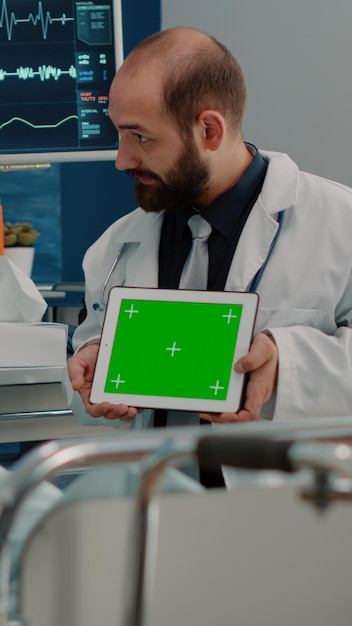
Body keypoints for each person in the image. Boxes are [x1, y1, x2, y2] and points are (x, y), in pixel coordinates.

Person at [64, 26, 352, 433]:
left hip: (283, 491)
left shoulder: (341, 224)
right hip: (154, 486)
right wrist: (91, 364)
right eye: (119, 134)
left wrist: (288, 363)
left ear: (209, 131)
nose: (122, 160)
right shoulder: (115, 246)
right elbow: (85, 360)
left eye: (141, 137)